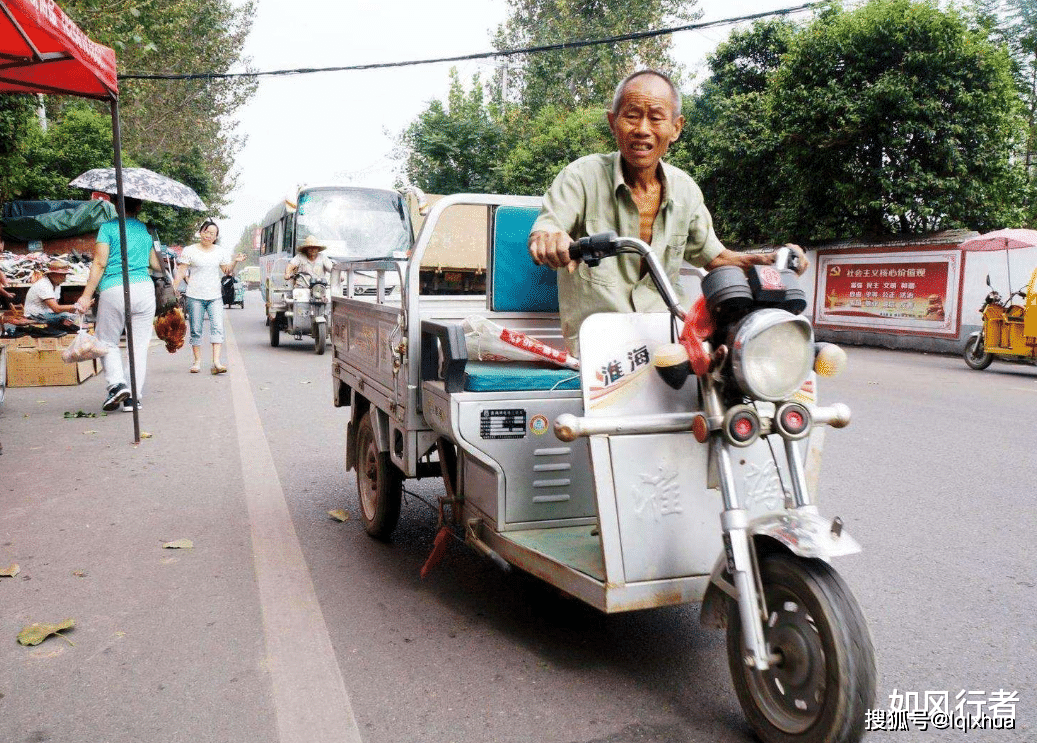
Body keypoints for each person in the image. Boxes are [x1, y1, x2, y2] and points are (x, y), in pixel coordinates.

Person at [528, 69, 808, 353]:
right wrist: (550, 239)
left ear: (676, 128)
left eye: (656, 117)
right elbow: (548, 227)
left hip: (669, 339)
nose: (642, 129)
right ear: (613, 123)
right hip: (599, 345)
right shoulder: (580, 176)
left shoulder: (686, 190)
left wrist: (768, 259)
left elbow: (715, 257)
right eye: (632, 115)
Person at [74, 197, 162, 412]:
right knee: (138, 346)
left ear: (115, 204)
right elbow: (155, 264)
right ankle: (133, 398)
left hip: (115, 288)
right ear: (139, 206)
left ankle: (117, 385)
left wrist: (86, 295)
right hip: (144, 288)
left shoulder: (107, 228)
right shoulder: (146, 231)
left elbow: (100, 262)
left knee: (107, 341)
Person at [173, 220, 245, 374]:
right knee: (196, 329)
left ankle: (217, 362)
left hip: (214, 296)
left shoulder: (220, 251)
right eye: (206, 231)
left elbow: (227, 270)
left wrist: (235, 262)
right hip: (194, 295)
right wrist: (174, 287)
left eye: (212, 233)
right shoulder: (190, 250)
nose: (208, 235)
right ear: (200, 232)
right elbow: (181, 270)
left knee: (217, 327)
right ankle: (197, 361)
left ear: (216, 236)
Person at [23, 260, 79, 326]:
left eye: (64, 275)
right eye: (61, 275)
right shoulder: (43, 285)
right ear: (52, 274)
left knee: (73, 316)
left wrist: (74, 309)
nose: (64, 278)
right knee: (70, 317)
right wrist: (77, 306)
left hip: (45, 313)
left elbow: (56, 307)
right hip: (34, 316)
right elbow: (56, 309)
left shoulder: (56, 284)